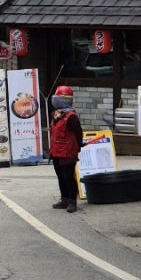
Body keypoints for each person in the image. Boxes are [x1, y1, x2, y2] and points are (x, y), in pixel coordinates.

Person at [49, 85, 83, 213]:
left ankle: (72, 201)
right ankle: (64, 199)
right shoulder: (55, 114)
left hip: (68, 151)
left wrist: (78, 146)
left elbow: (79, 133)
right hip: (56, 150)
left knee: (69, 177)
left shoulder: (71, 117)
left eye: (57, 98)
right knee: (61, 176)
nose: (54, 100)